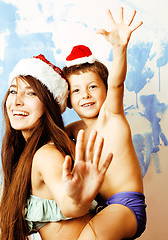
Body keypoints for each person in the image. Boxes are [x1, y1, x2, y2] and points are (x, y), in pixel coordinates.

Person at [0, 54, 113, 240]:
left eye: (31, 93)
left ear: (49, 105)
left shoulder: (46, 155)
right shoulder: (30, 153)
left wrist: (77, 200)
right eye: (13, 91)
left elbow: (69, 204)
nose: (17, 101)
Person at [63, 7, 147, 239]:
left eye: (92, 87)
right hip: (99, 207)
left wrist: (119, 48)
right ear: (68, 101)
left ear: (106, 90)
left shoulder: (112, 115)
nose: (85, 95)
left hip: (126, 205)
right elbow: (50, 133)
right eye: (76, 91)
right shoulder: (74, 131)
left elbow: (118, 82)